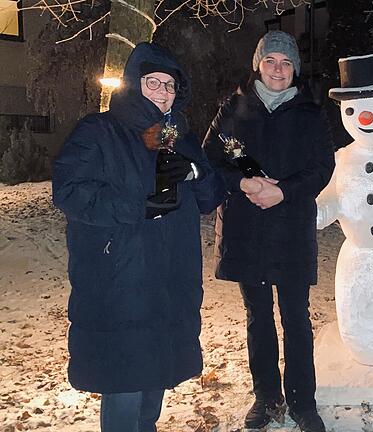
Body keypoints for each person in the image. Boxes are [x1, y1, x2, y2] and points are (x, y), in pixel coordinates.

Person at [52, 42, 224, 432]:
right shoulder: (99, 131)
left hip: (171, 276)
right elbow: (69, 190)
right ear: (133, 84)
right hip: (121, 279)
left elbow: (210, 198)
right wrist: (137, 205)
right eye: (154, 83)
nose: (164, 92)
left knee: (155, 376)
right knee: (125, 381)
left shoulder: (179, 136)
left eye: (170, 85)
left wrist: (195, 173)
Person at [202, 30, 335, 432]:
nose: (278, 69)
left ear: (295, 69)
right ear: (258, 65)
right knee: (257, 316)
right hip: (248, 229)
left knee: (296, 318)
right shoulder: (233, 110)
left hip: (291, 228)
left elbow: (321, 167)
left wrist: (283, 192)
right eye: (271, 61)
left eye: (286, 62)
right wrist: (243, 184)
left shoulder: (310, 113)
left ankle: (302, 402)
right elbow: (213, 158)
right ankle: (266, 397)